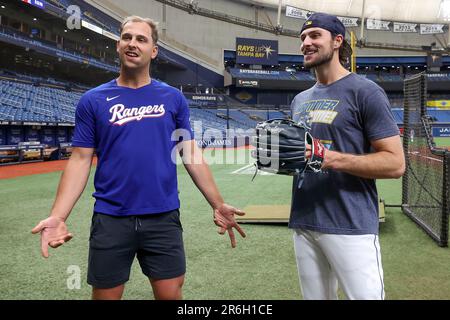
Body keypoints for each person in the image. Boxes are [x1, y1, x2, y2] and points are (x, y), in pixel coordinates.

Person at [31, 16, 246, 300]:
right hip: (111, 218)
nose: (133, 43)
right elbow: (80, 159)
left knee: (171, 295)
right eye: (127, 37)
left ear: (153, 51)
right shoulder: (93, 100)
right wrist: (58, 216)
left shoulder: (172, 98)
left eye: (141, 39)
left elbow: (190, 152)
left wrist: (217, 203)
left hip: (162, 216)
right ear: (119, 45)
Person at [289, 12, 405, 300]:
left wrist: (329, 158)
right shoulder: (299, 100)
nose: (306, 42)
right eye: (303, 37)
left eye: (315, 35)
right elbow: (301, 157)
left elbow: (395, 163)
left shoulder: (366, 91)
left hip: (350, 225)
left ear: (337, 41)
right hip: (304, 221)